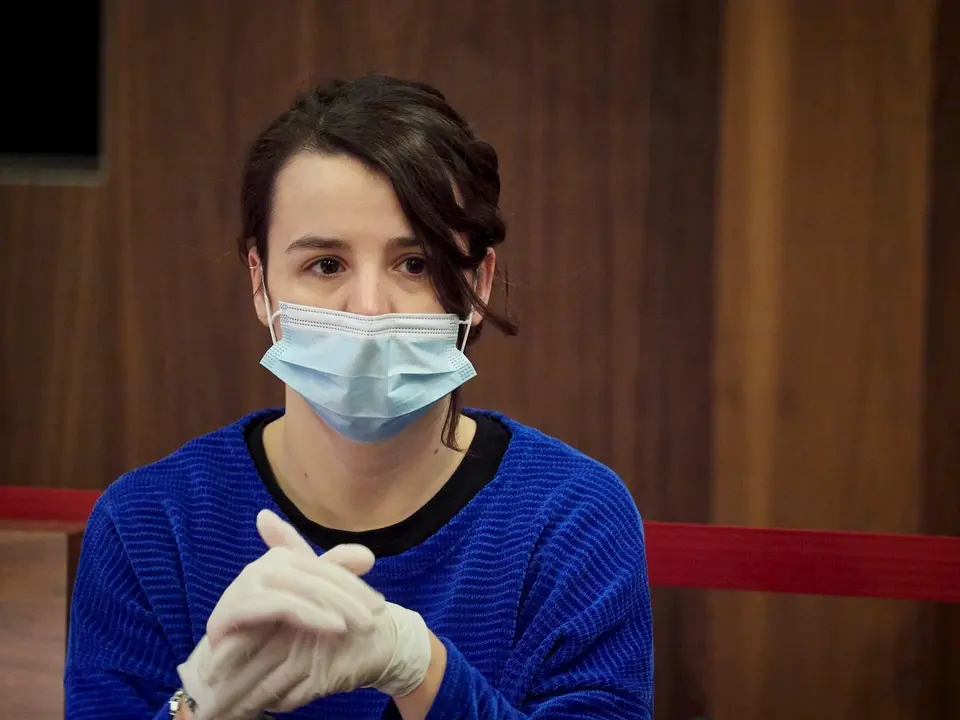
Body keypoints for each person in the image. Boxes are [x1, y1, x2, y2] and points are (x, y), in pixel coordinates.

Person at [64, 74, 654, 720]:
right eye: (325, 265)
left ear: (479, 283)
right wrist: (199, 706)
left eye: (417, 264)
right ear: (261, 283)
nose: (369, 310)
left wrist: (416, 664)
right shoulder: (149, 525)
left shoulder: (571, 520)